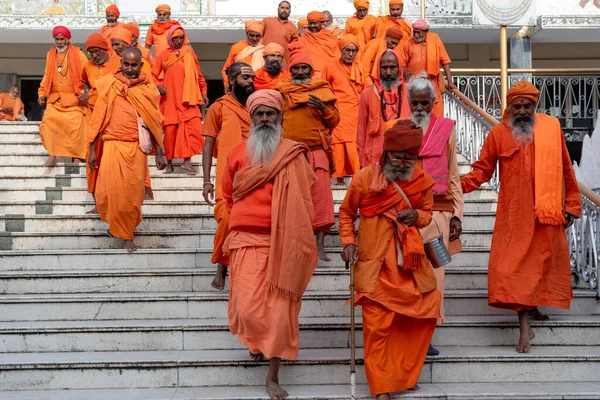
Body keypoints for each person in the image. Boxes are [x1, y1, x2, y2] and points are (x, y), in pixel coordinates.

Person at [461, 81, 581, 353]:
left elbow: (566, 169)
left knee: (540, 264)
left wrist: (572, 205)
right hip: (514, 216)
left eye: (528, 105)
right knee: (511, 269)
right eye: (518, 106)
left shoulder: (551, 129)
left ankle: (532, 308)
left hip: (546, 213)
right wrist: (453, 186)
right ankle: (525, 327)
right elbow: (481, 172)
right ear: (509, 107)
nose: (523, 110)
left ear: (535, 106)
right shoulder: (498, 134)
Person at [222, 89, 318, 400]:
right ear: (251, 119)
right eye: (259, 114)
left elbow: (306, 199)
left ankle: (272, 374)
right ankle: (257, 341)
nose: (265, 118)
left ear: (281, 117)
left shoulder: (294, 153)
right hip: (246, 241)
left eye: (270, 114)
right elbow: (227, 196)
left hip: (284, 243)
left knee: (279, 313)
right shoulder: (237, 153)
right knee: (248, 309)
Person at [339, 120, 441, 399]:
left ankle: (401, 375)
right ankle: (381, 387)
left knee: (425, 312)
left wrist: (416, 217)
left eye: (410, 157)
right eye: (398, 156)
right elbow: (346, 214)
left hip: (409, 266)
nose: (404, 162)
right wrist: (348, 242)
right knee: (376, 328)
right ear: (385, 154)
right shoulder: (363, 179)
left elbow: (428, 213)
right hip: (374, 267)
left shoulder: (421, 181)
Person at [88, 47, 166, 253]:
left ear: (141, 65)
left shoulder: (148, 89)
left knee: (132, 196)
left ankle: (125, 228)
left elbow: (154, 121)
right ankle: (124, 234)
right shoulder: (109, 84)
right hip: (112, 144)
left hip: (137, 149)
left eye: (134, 65)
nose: (130, 69)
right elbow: (97, 119)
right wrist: (92, 150)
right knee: (111, 192)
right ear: (120, 63)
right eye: (126, 64)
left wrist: (160, 152)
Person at [408, 73, 464, 355]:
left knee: (435, 275)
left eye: (424, 104)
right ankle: (409, 331)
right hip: (405, 217)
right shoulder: (399, 128)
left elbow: (453, 174)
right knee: (406, 274)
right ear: (408, 103)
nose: (420, 109)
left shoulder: (446, 129)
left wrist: (458, 215)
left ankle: (426, 334)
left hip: (438, 214)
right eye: (415, 103)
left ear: (433, 102)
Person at [275, 42, 339, 261]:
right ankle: (297, 245)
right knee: (294, 200)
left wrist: (323, 108)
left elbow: (335, 121)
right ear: (290, 71)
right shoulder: (281, 91)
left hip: (317, 152)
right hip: (291, 153)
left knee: (321, 199)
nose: (300, 72)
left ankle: (319, 247)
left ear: (312, 71)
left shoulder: (323, 90)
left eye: (304, 68)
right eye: (296, 68)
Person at [202, 63, 255, 291]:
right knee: (226, 219)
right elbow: (208, 144)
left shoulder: (258, 108)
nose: (250, 82)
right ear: (232, 80)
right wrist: (206, 180)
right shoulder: (219, 108)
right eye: (245, 78)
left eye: (252, 78)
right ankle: (222, 266)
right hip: (227, 177)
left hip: (254, 176)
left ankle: (244, 265)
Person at [153, 25, 208, 175]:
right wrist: (158, 85)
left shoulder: (190, 53)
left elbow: (199, 75)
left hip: (188, 100)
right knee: (170, 132)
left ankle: (186, 162)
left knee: (192, 129)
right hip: (169, 99)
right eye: (175, 38)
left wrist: (203, 92)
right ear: (170, 39)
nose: (178, 41)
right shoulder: (163, 55)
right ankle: (169, 163)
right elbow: (153, 75)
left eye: (181, 38)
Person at [80, 33, 122, 214]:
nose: (94, 56)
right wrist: (85, 91)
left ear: (105, 50)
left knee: (112, 163)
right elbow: (82, 83)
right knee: (93, 162)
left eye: (97, 51)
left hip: (114, 119)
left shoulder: (118, 63)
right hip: (93, 117)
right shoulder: (87, 66)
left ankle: (114, 202)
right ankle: (97, 204)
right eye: (91, 53)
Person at [38, 26, 89, 167]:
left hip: (74, 100)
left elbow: (87, 74)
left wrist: (85, 92)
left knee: (76, 124)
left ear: (68, 39)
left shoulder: (78, 54)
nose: (60, 42)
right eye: (57, 39)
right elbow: (47, 75)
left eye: (62, 39)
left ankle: (76, 156)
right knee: (48, 122)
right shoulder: (50, 54)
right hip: (55, 99)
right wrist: (42, 92)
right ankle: (52, 154)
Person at [322, 35, 365, 187]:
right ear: (342, 50)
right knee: (337, 145)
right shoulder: (330, 67)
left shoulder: (361, 67)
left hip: (356, 113)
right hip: (338, 113)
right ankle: (337, 178)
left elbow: (367, 90)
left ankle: (357, 177)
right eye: (348, 50)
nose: (351, 54)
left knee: (353, 146)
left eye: (354, 51)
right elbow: (324, 90)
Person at [357, 49, 410, 167]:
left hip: (403, 159)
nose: (388, 72)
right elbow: (361, 132)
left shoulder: (410, 92)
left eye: (392, 67)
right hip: (374, 159)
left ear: (400, 68)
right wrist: (361, 162)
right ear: (378, 69)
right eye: (384, 68)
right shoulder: (367, 94)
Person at [402, 19, 455, 117]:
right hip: (415, 84)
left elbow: (445, 62)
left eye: (419, 32)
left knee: (437, 113)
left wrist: (450, 81)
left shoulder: (435, 39)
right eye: (415, 32)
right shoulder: (408, 43)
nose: (416, 35)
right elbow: (402, 64)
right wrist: (406, 75)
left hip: (432, 82)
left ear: (426, 32)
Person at [221, 20, 265, 87]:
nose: (254, 38)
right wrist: (227, 84)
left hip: (259, 86)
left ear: (261, 36)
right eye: (251, 35)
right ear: (247, 34)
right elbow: (227, 70)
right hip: (240, 87)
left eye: (257, 36)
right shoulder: (236, 47)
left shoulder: (265, 50)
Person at [299, 11, 341, 79]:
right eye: (310, 23)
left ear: (321, 23)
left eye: (315, 23)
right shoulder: (303, 39)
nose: (312, 26)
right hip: (309, 76)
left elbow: (336, 58)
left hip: (329, 75)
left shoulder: (331, 38)